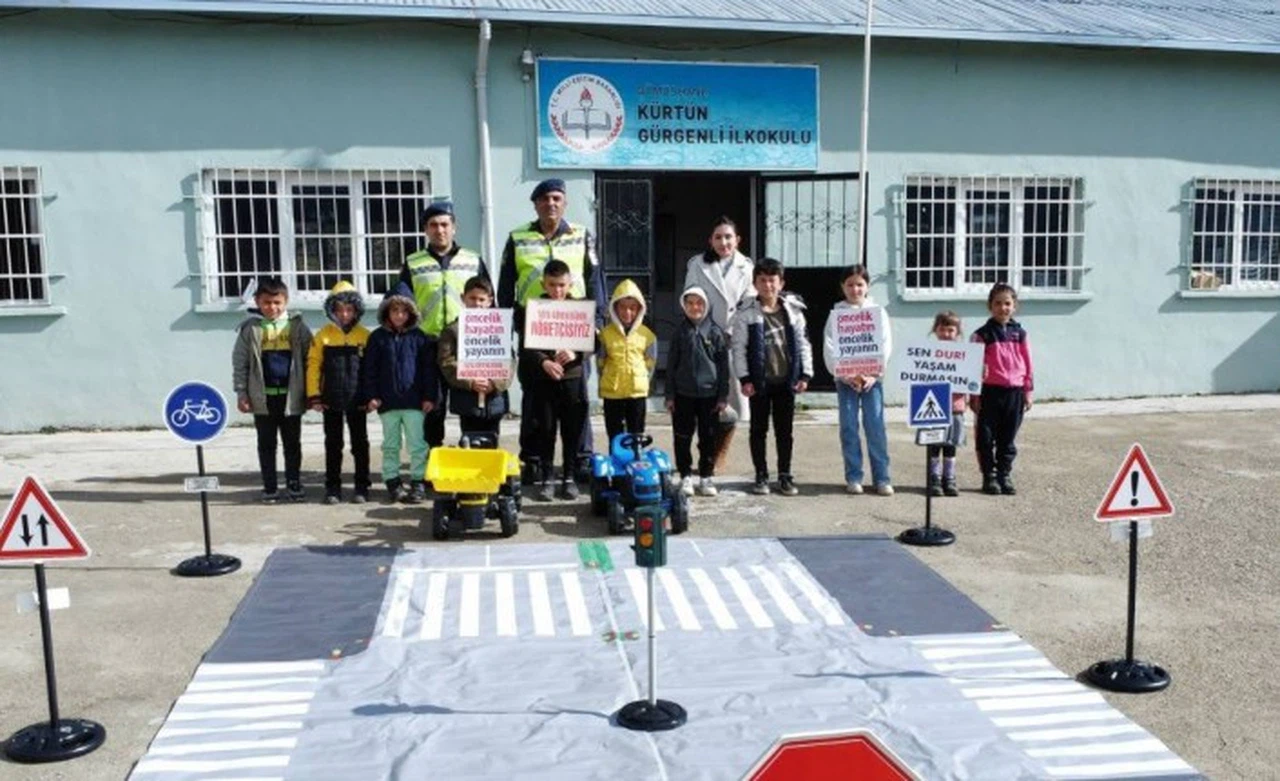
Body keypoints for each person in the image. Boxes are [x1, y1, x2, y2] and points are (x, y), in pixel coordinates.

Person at [498, 178, 606, 484]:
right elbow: (506, 285)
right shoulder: (517, 237)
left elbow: (595, 278)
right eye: (545, 199)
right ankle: (533, 460)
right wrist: (504, 328)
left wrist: (596, 323)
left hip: (575, 327)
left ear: (565, 203)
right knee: (535, 399)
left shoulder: (582, 236)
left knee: (576, 398)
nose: (551, 203)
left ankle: (580, 459)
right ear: (536, 204)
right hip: (533, 329)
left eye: (557, 198)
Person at [400, 201, 489, 453]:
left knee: (469, 404)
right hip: (427, 344)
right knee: (432, 407)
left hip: (467, 343)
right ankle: (431, 460)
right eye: (433, 225)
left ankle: (471, 458)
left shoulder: (473, 260)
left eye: (445, 224)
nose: (440, 230)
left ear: (454, 228)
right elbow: (402, 305)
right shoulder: (413, 263)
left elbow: (489, 300)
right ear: (425, 230)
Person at [732, 258, 813, 497]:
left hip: (785, 382)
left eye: (772, 280)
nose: (768, 285)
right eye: (763, 280)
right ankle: (761, 475)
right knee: (758, 430)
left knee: (784, 432)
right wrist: (744, 378)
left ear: (781, 283)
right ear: (755, 284)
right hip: (759, 384)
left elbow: (803, 343)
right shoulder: (746, 313)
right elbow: (739, 348)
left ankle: (785, 475)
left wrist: (805, 374)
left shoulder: (794, 311)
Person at [232, 277, 313, 504]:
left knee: (292, 444)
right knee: (266, 444)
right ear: (257, 302)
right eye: (266, 302)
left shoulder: (297, 327)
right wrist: (242, 393)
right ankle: (269, 486)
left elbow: (311, 361)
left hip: (291, 398)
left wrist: (311, 393)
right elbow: (240, 363)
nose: (272, 308)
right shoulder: (250, 329)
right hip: (262, 399)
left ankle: (294, 483)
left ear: (286, 301)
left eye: (277, 302)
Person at [683, 216, 755, 472]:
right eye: (718, 237)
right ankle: (704, 452)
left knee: (731, 400)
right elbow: (690, 299)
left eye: (728, 237)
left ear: (737, 240)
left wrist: (732, 330)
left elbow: (749, 301)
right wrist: (707, 330)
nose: (723, 242)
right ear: (710, 241)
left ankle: (720, 451)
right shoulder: (697, 265)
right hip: (705, 337)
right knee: (704, 397)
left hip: (734, 339)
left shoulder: (746, 267)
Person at [519, 260, 590, 503]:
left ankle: (568, 477)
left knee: (571, 430)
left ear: (570, 284)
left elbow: (595, 342)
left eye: (561, 285)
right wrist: (543, 362)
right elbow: (526, 347)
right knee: (546, 429)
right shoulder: (534, 309)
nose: (557, 291)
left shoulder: (580, 308)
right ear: (544, 284)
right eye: (552, 285)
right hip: (544, 380)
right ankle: (548, 478)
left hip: (572, 378)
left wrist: (576, 353)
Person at [361, 282, 438, 504]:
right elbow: (370, 370)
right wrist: (372, 396)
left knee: (417, 444)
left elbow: (428, 371)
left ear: (411, 313)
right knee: (390, 444)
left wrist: (429, 397)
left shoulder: (420, 338)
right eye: (394, 310)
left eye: (404, 311)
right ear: (387, 311)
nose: (399, 315)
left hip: (414, 402)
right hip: (388, 403)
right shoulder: (377, 338)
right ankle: (392, 481)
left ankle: (418, 481)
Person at [822, 265, 893, 496]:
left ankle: (882, 477)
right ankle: (854, 476)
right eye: (850, 284)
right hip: (846, 381)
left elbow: (885, 343)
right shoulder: (837, 314)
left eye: (860, 284)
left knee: (875, 426)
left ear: (867, 286)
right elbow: (830, 347)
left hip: (873, 381)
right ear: (843, 287)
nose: (855, 289)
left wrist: (874, 373)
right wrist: (845, 373)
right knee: (849, 427)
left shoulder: (878, 312)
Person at [306, 281, 371, 505]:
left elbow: (371, 370)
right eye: (339, 309)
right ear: (331, 310)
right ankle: (332, 487)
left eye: (349, 309)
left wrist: (370, 396)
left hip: (358, 399)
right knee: (333, 445)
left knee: (360, 444)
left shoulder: (365, 335)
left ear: (357, 310)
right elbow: (313, 365)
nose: (344, 314)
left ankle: (362, 486)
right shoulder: (323, 335)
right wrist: (314, 395)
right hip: (330, 399)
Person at [665, 286, 730, 497]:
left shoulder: (715, 332)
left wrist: (722, 396)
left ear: (706, 305)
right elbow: (671, 364)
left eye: (699, 303)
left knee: (708, 438)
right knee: (682, 437)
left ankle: (706, 476)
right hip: (683, 395)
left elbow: (723, 367)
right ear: (684, 306)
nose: (695, 307)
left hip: (709, 396)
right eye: (690, 303)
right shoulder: (679, 332)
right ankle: (685, 476)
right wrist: (669, 395)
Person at [971, 282, 1034, 495]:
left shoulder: (1020, 334)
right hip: (989, 393)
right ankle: (989, 476)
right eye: (997, 303)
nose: (1002, 308)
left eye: (1007, 303)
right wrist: (974, 395)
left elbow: (1028, 364)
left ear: (1014, 306)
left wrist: (1028, 392)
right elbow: (972, 368)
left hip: (1014, 392)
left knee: (1008, 438)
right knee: (986, 438)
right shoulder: (982, 335)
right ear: (990, 306)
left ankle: (1004, 475)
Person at [436, 276, 513, 437]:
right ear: (463, 298)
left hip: (494, 399)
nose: (477, 304)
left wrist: (494, 383)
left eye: (481, 299)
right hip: (466, 400)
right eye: (472, 298)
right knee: (470, 441)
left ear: (490, 301)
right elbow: (446, 362)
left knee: (492, 440)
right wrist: (470, 382)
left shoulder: (500, 328)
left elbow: (510, 362)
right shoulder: (452, 330)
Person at [597, 278, 656, 444]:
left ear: (640, 309)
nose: (627, 312)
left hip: (637, 392)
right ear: (614, 308)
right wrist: (608, 377)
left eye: (632, 308)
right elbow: (600, 363)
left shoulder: (647, 335)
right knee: (614, 433)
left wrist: (642, 380)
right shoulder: (605, 334)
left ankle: (635, 462)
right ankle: (616, 464)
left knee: (636, 433)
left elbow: (651, 363)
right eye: (622, 307)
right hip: (612, 392)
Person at [927, 311, 966, 497]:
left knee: (951, 445)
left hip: (955, 407)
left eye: (951, 330)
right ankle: (933, 477)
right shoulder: (928, 354)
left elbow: (970, 379)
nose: (946, 334)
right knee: (934, 444)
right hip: (933, 407)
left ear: (957, 332)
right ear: (936, 330)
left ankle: (949, 478)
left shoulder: (965, 356)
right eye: (942, 329)